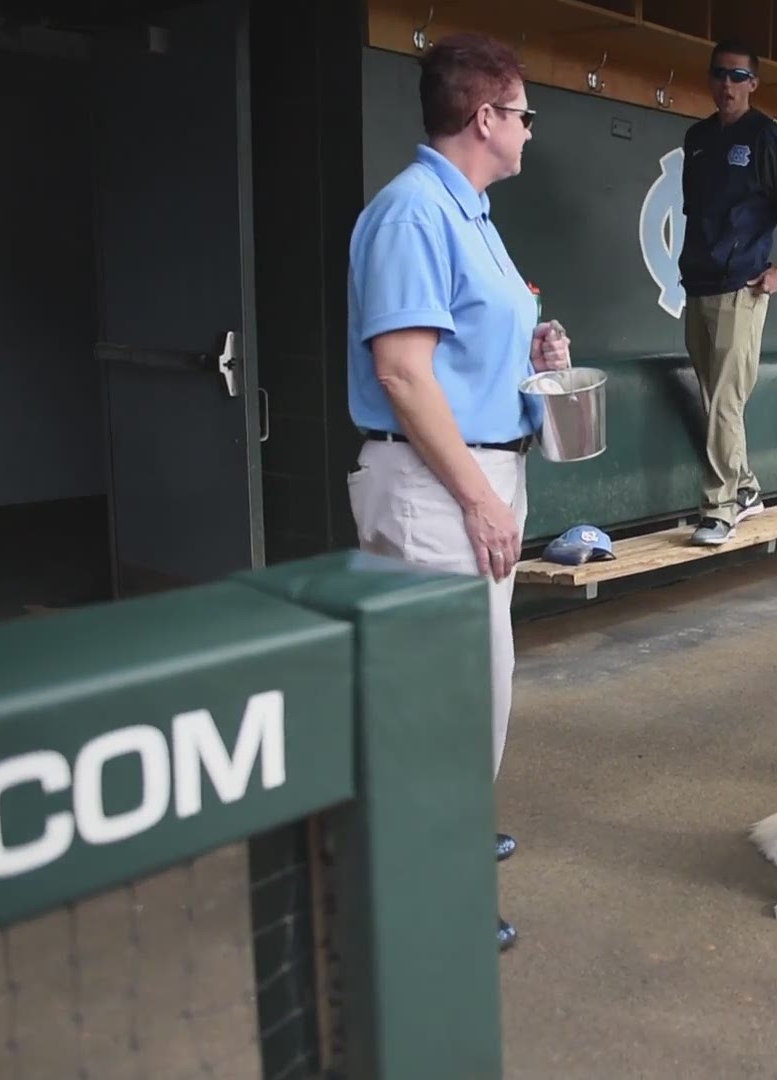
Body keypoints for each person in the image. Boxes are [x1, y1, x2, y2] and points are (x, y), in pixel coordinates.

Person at [345, 32, 572, 954]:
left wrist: (533, 351)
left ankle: (446, 839)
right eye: (522, 114)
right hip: (436, 483)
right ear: (485, 117)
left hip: (479, 472)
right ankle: (425, 893)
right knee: (438, 697)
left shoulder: (469, 209)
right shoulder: (412, 212)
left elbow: (461, 348)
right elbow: (402, 373)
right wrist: (479, 499)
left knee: (479, 684)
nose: (528, 130)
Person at [678, 39, 777, 546]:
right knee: (713, 395)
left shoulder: (767, 137)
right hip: (698, 284)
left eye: (738, 77)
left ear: (753, 84)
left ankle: (718, 507)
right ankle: (744, 486)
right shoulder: (695, 138)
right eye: (720, 74)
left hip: (742, 286)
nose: (727, 85)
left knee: (724, 397)